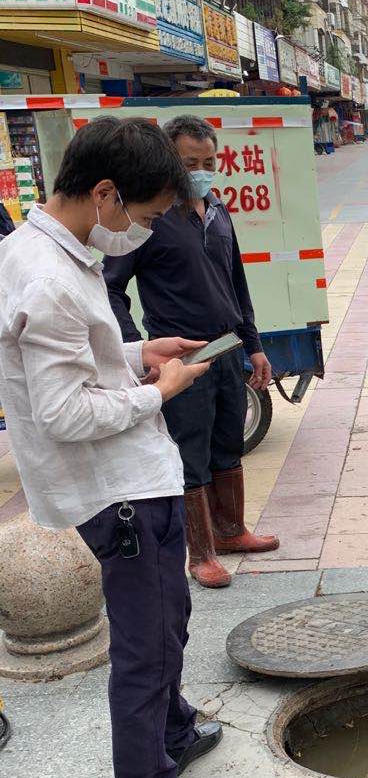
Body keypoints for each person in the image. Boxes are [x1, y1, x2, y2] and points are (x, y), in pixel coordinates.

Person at [0, 117, 246, 778]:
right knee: (146, 644)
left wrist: (139, 350)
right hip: (119, 490)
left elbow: (79, 359)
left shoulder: (43, 250)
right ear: (104, 193)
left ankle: (172, 731)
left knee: (169, 619)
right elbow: (65, 413)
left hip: (134, 478)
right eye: (140, 216)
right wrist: (163, 389)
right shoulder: (47, 278)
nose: (140, 231)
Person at [104, 116, 278, 589]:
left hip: (228, 350)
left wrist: (255, 347)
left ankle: (230, 531)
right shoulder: (150, 221)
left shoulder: (219, 211)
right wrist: (138, 352)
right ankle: (199, 553)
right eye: (189, 163)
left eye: (208, 162)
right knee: (191, 454)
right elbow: (112, 288)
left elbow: (237, 283)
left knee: (229, 442)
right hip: (182, 359)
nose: (200, 172)